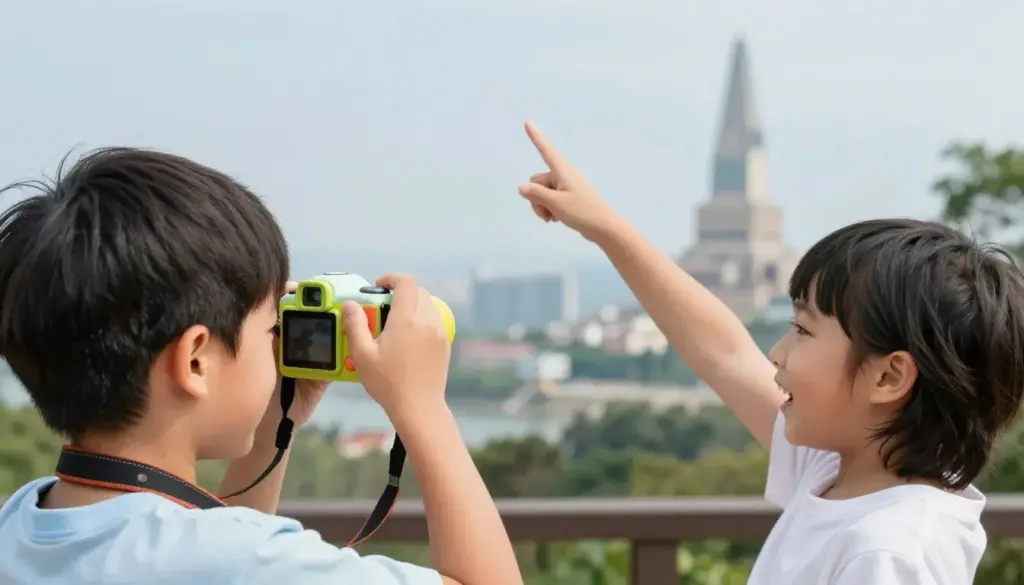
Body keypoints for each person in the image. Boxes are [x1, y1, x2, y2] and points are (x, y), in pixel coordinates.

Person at [515, 121, 1024, 584]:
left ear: (888, 378)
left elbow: (730, 354)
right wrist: (604, 225)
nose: (776, 353)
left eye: (802, 329)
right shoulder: (836, 473)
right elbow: (724, 350)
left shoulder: (887, 551)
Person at [0, 148, 523, 585]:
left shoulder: (22, 524)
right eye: (271, 328)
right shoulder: (249, 561)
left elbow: (209, 535)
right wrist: (423, 408)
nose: (278, 348)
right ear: (196, 359)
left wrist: (278, 415)